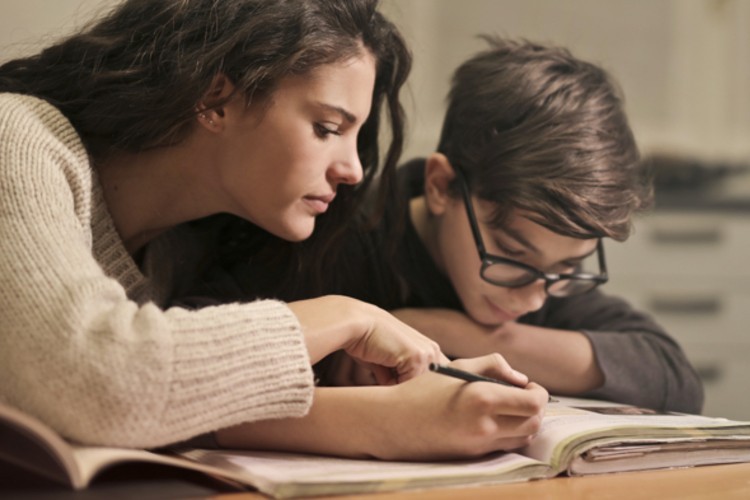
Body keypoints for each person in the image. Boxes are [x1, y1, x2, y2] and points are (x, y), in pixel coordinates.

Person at [0, 1, 548, 458]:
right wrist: (346, 318)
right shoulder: (16, 138)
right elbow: (102, 381)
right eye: (327, 128)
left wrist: (400, 410)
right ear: (216, 99)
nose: (353, 169)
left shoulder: (184, 246)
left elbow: (159, 394)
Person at [198, 36, 703, 414]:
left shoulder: (546, 278)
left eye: (568, 268)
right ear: (440, 186)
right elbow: (190, 350)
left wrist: (458, 333)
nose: (533, 299)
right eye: (512, 255)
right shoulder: (330, 234)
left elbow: (673, 377)